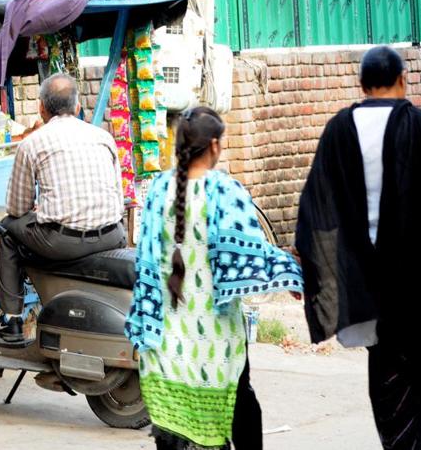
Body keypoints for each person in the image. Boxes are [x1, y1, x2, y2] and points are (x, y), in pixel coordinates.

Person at [125, 107, 303, 449]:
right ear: (216, 146)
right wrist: (292, 271)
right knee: (240, 400)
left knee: (172, 423)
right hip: (216, 336)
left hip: (165, 333)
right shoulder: (225, 191)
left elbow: (144, 260)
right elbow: (251, 255)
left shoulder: (158, 189)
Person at [296, 46, 421, 449]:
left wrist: (316, 274)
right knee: (417, 386)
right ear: (402, 80)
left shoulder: (339, 129)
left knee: (383, 378)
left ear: (361, 85)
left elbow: (315, 208)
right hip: (415, 287)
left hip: (364, 286)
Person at [0, 73, 126, 341]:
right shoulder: (103, 137)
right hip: (113, 236)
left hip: (63, 243)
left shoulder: (32, 143)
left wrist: (43, 211)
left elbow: (17, 208)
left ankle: (12, 319)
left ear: (41, 108)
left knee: (8, 231)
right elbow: (118, 199)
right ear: (77, 107)